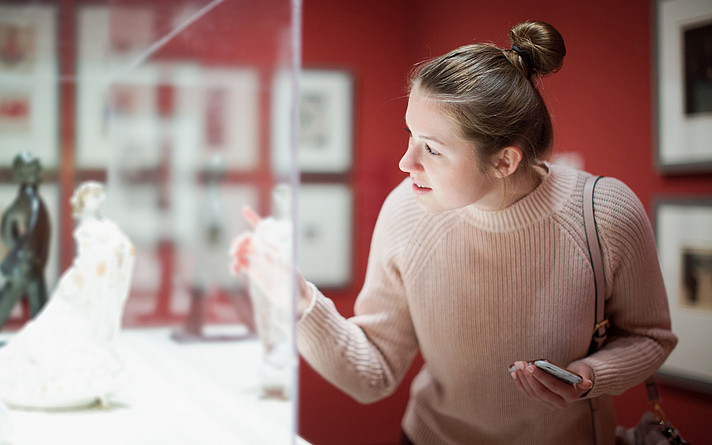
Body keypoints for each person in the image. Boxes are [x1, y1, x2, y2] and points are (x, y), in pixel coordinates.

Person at [232, 21, 677, 444]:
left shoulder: (604, 213)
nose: (407, 163)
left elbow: (650, 338)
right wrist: (299, 301)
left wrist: (587, 378)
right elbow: (373, 374)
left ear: (505, 161)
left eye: (433, 148)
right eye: (410, 135)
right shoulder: (406, 210)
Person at [0, 181, 135, 409]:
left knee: (87, 327)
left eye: (99, 194)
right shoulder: (86, 228)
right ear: (83, 199)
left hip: (98, 285)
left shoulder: (107, 224)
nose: (98, 198)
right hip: (86, 283)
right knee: (62, 327)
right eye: (93, 195)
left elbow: (120, 248)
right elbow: (92, 257)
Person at [0, 152, 51, 331]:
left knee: (40, 311)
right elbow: (7, 231)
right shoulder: (30, 203)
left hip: (31, 266)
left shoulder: (27, 203)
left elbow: (7, 233)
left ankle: (42, 340)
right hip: (25, 265)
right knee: (7, 303)